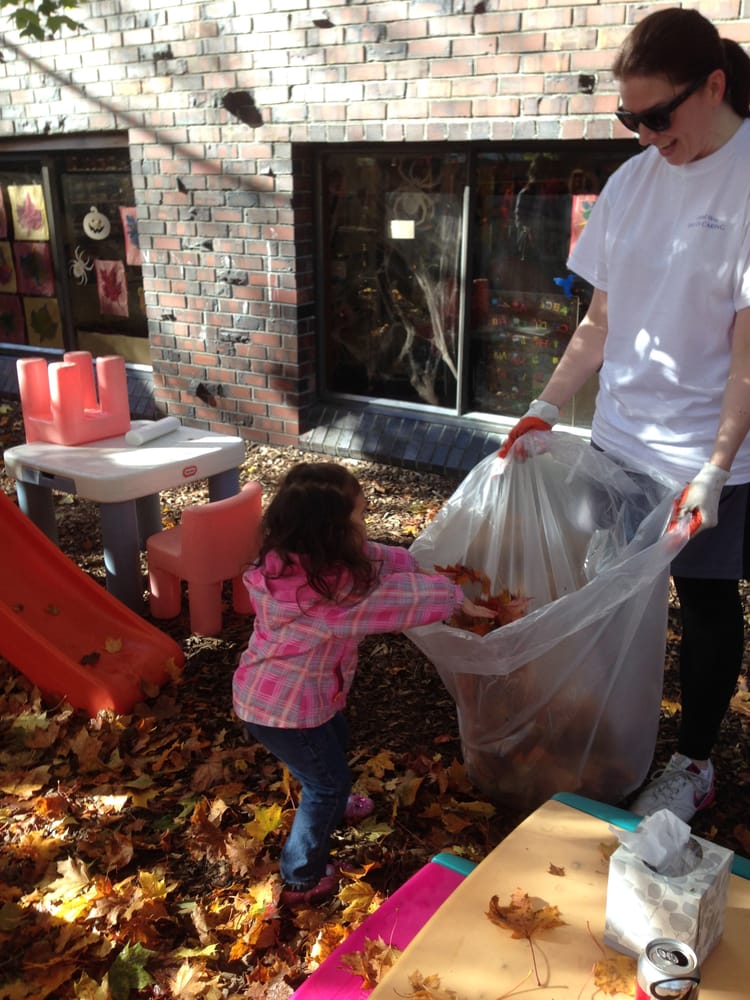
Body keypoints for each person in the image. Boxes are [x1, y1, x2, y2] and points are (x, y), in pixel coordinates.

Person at [500, 8, 750, 824]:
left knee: (706, 607)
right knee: (609, 589)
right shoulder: (632, 182)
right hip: (619, 441)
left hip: (711, 457)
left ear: (713, 86)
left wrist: (713, 469)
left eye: (658, 117)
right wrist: (543, 406)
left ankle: (694, 761)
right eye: (628, 119)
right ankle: (607, 729)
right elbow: (601, 323)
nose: (645, 135)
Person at [232, 461, 495, 906]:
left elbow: (373, 559)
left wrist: (411, 562)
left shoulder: (294, 559)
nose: (364, 525)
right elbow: (390, 602)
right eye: (358, 518)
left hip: (290, 700)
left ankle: (331, 797)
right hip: (284, 712)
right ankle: (301, 877)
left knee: (333, 742)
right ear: (331, 532)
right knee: (326, 780)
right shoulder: (328, 600)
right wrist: (455, 599)